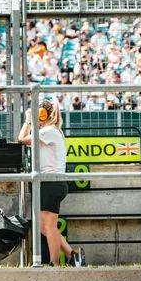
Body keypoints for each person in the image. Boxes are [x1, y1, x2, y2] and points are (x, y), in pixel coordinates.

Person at [18, 98, 85, 267]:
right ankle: (73, 255)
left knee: (50, 226)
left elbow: (22, 139)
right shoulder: (48, 131)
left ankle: (54, 263)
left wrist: (28, 121)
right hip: (48, 183)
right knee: (43, 227)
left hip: (52, 183)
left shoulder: (49, 131)